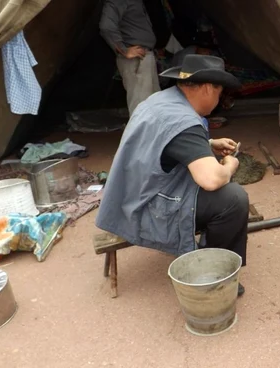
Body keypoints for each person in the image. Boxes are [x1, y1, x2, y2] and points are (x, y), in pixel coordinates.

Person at [95, 55, 249, 296]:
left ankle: (212, 251)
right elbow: (211, 179)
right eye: (219, 93)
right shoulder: (182, 120)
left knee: (218, 183)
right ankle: (213, 273)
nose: (218, 100)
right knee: (233, 198)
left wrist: (206, 144)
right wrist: (230, 165)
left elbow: (163, 141)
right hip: (146, 209)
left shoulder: (161, 101)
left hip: (128, 197)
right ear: (208, 88)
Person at [99, 0, 161, 115]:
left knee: (153, 103)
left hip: (144, 56)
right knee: (142, 106)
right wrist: (124, 50)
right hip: (136, 59)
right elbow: (106, 26)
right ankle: (141, 132)